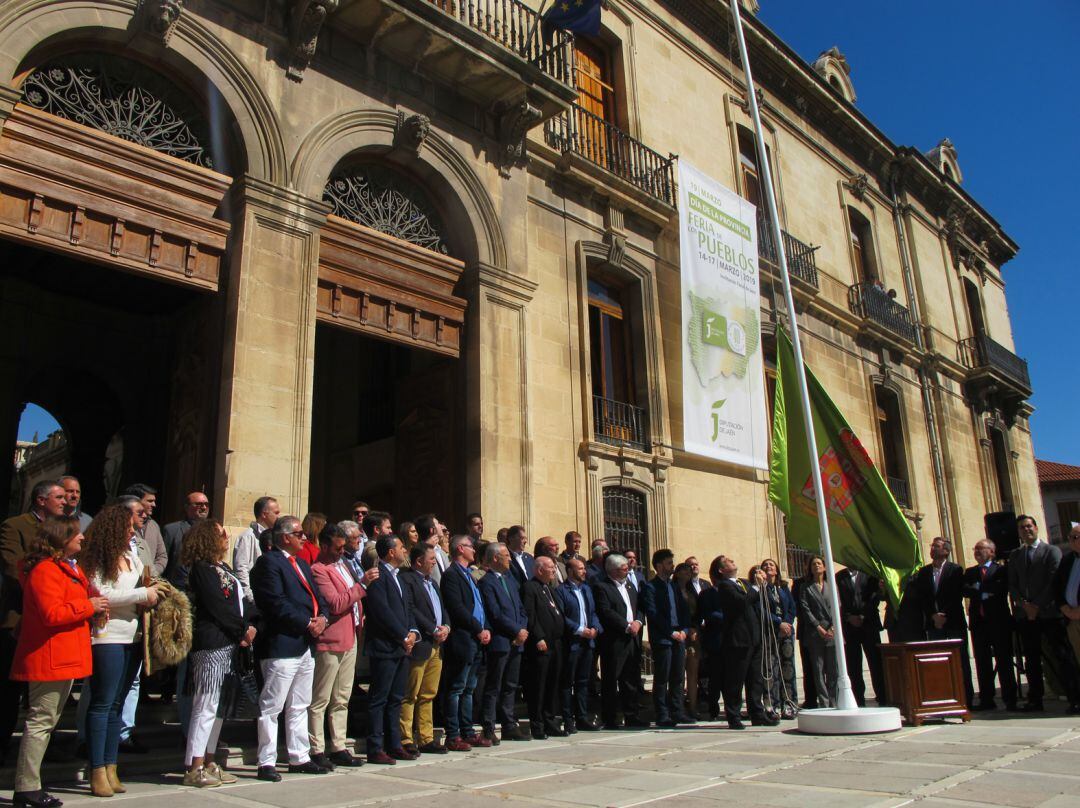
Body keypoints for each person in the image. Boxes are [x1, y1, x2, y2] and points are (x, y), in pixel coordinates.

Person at [11, 516, 106, 808]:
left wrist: (93, 606)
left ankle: (29, 785)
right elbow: (52, 613)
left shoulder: (66, 569)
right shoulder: (45, 571)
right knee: (40, 721)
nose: (82, 539)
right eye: (76, 534)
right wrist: (87, 606)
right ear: (60, 538)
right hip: (50, 657)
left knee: (46, 721)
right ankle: (27, 787)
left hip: (64, 656)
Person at [81, 504, 161, 797]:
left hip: (133, 636)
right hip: (108, 636)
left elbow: (146, 585)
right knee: (102, 703)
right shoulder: (99, 558)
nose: (133, 530)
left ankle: (111, 765)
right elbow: (102, 594)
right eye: (128, 526)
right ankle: (96, 768)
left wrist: (151, 593)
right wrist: (143, 594)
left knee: (118, 703)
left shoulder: (131, 556)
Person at [249, 515, 330, 782]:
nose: (304, 537)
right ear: (285, 537)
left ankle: (299, 756)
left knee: (300, 704)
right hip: (282, 643)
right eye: (298, 534)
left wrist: (323, 619)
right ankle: (266, 760)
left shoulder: (303, 564)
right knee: (272, 705)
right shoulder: (268, 564)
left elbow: (317, 597)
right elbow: (275, 603)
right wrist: (307, 622)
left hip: (305, 644)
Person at [182, 518, 256, 788]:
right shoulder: (201, 569)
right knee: (205, 705)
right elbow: (217, 605)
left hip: (231, 642)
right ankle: (194, 765)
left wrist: (250, 623)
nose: (226, 537)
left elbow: (239, 602)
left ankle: (210, 760)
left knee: (219, 708)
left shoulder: (222, 567)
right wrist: (242, 629)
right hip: (212, 642)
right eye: (222, 534)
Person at [0, 480, 67, 763]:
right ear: (41, 500)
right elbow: (13, 566)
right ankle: (2, 745)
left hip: (54, 622)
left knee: (44, 695)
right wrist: (47, 592)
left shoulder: (64, 531)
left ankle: (43, 748)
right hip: (20, 617)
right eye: (59, 497)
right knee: (8, 690)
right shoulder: (14, 525)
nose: (65, 502)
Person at [308, 524, 366, 769]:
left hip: (350, 636)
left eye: (344, 547)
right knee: (321, 697)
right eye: (338, 547)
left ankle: (339, 745)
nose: (342, 552)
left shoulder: (343, 566)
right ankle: (316, 747)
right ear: (325, 546)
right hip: (330, 640)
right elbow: (335, 603)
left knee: (342, 696)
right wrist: (361, 586)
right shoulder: (319, 570)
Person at [363, 535, 420, 763]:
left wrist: (413, 631)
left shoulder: (399, 577)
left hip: (402, 646)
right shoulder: (379, 575)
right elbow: (381, 611)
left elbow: (407, 608)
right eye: (401, 547)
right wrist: (402, 635)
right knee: (380, 698)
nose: (405, 550)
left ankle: (394, 743)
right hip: (386, 646)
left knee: (396, 697)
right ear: (390, 553)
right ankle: (375, 747)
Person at [1009, 515, 1074, 712]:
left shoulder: (1051, 551)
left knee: (1062, 656)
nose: (1026, 530)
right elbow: (1012, 584)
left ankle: (1074, 697)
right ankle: (1035, 699)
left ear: (1036, 528)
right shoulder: (1015, 555)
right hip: (1026, 616)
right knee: (1031, 659)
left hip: (1049, 614)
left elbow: (1054, 581)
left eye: (1029, 526)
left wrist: (1036, 605)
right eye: (1021, 528)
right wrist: (1023, 604)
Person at [439, 536, 492, 751]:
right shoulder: (451, 575)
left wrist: (485, 627)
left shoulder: (469, 574)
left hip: (476, 638)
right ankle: (453, 734)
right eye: (471, 547)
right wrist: (478, 629)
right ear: (460, 549)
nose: (474, 551)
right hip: (463, 637)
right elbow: (457, 607)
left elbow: (479, 604)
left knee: (469, 688)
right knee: (457, 688)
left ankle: (467, 731)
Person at [398, 542, 449, 754]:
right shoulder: (407, 579)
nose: (434, 563)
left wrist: (446, 625)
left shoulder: (433, 583)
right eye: (431, 560)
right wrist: (431, 629)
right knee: (410, 692)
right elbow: (412, 609)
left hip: (437, 645)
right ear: (419, 561)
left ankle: (426, 737)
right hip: (421, 642)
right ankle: (405, 737)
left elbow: (441, 608)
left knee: (428, 693)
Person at [910, 537, 974, 707]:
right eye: (931, 546)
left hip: (953, 621)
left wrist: (943, 615)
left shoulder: (955, 570)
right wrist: (933, 615)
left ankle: (966, 697)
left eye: (936, 546)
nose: (932, 549)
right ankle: (941, 696)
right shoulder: (924, 573)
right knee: (936, 659)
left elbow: (955, 595)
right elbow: (923, 597)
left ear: (946, 550)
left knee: (960, 660)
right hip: (933, 623)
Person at [477, 542, 530, 743]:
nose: (510, 558)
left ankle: (509, 724)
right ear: (495, 558)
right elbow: (495, 613)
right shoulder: (486, 581)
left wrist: (522, 629)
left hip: (517, 641)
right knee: (494, 685)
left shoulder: (510, 580)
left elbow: (521, 609)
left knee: (510, 684)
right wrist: (516, 630)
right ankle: (488, 726)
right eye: (506, 555)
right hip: (501, 640)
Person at [717, 557, 775, 728]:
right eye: (728, 561)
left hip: (754, 636)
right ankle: (733, 716)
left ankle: (757, 713)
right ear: (722, 570)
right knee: (736, 679)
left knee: (755, 679)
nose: (733, 561)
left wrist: (763, 585)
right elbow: (742, 603)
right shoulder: (725, 585)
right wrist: (756, 587)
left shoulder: (744, 583)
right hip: (738, 639)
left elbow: (760, 601)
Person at [962, 538, 1018, 711]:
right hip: (979, 623)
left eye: (981, 549)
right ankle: (987, 698)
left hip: (999, 622)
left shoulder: (1001, 570)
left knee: (1004, 660)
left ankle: (1010, 698)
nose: (977, 551)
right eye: (975, 549)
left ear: (992, 552)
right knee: (982, 662)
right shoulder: (970, 572)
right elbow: (965, 590)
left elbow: (1000, 590)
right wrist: (985, 592)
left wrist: (979, 590)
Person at [592, 553, 645, 729]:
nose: (627, 570)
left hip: (633, 637)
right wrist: (626, 626)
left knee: (631, 679)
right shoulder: (602, 587)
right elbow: (606, 612)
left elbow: (638, 607)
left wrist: (638, 621)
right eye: (624, 568)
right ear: (613, 570)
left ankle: (632, 715)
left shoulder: (630, 586)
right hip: (615, 640)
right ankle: (610, 717)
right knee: (611, 679)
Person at [642, 548, 693, 726]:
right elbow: (653, 614)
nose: (672, 566)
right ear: (659, 565)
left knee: (678, 677)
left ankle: (677, 711)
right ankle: (662, 713)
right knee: (662, 677)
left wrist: (685, 630)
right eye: (669, 563)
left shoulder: (673, 586)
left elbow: (683, 610)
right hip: (664, 637)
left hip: (679, 636)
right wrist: (670, 632)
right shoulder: (650, 587)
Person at [521, 556, 566, 738]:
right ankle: (537, 725)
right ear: (539, 570)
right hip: (540, 645)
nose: (554, 571)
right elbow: (530, 615)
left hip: (555, 643)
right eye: (550, 568)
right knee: (538, 686)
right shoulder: (530, 587)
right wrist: (538, 636)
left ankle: (550, 721)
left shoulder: (549, 588)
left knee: (552, 685)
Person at [554, 556, 600, 732]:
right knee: (567, 682)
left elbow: (593, 612)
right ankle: (568, 718)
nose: (584, 572)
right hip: (572, 642)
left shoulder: (586, 589)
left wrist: (594, 627)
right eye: (580, 569)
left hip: (588, 643)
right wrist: (581, 629)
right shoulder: (561, 591)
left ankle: (582, 716)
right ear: (571, 571)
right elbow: (562, 617)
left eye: (584, 568)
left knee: (583, 681)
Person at [835, 565, 884, 707]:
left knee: (875, 663)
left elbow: (875, 597)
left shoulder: (869, 574)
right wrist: (848, 617)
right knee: (853, 665)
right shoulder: (839, 577)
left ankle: (882, 696)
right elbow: (838, 601)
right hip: (850, 627)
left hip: (869, 625)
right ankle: (858, 699)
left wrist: (863, 615)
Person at [759, 558, 798, 719]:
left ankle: (789, 703)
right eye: (765, 565)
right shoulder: (761, 588)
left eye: (771, 565)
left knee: (788, 668)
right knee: (771, 669)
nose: (768, 567)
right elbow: (762, 609)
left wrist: (787, 623)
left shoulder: (783, 587)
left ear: (776, 571)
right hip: (770, 632)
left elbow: (791, 607)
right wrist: (778, 623)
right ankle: (772, 705)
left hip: (786, 632)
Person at [798, 556, 837, 710]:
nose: (816, 566)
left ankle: (834, 699)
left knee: (833, 669)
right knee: (818, 669)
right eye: (813, 564)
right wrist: (818, 627)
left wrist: (833, 627)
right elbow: (805, 609)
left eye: (819, 563)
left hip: (832, 633)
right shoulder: (806, 587)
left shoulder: (831, 586)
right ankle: (824, 701)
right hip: (815, 633)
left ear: (825, 567)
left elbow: (837, 607)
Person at [696, 560, 727, 720]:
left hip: (731, 641)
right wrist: (728, 618)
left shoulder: (732, 590)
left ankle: (730, 709)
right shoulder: (707, 594)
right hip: (715, 641)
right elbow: (708, 614)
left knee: (730, 679)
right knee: (715, 678)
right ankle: (713, 709)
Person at [674, 562, 704, 718]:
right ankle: (678, 707)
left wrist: (695, 628)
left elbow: (698, 612)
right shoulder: (672, 590)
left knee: (693, 673)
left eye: (689, 571)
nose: (687, 574)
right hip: (679, 635)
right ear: (677, 573)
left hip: (693, 635)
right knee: (678, 673)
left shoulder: (692, 591)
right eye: (684, 571)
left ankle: (692, 706)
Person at [232, 496, 280, 592]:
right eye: (276, 513)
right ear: (264, 514)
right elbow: (241, 568)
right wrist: (250, 596)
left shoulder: (276, 536)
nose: (279, 517)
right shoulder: (247, 537)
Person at [162, 492, 210, 581]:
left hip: (205, 586)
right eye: (199, 504)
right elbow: (163, 561)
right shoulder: (172, 530)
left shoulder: (214, 532)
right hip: (179, 587)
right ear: (186, 507)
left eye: (206, 504)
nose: (204, 507)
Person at [122, 484, 167, 576]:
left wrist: (153, 573)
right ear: (136, 500)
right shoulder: (119, 527)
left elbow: (162, 555)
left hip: (149, 582)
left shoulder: (154, 525)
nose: (154, 505)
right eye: (150, 501)